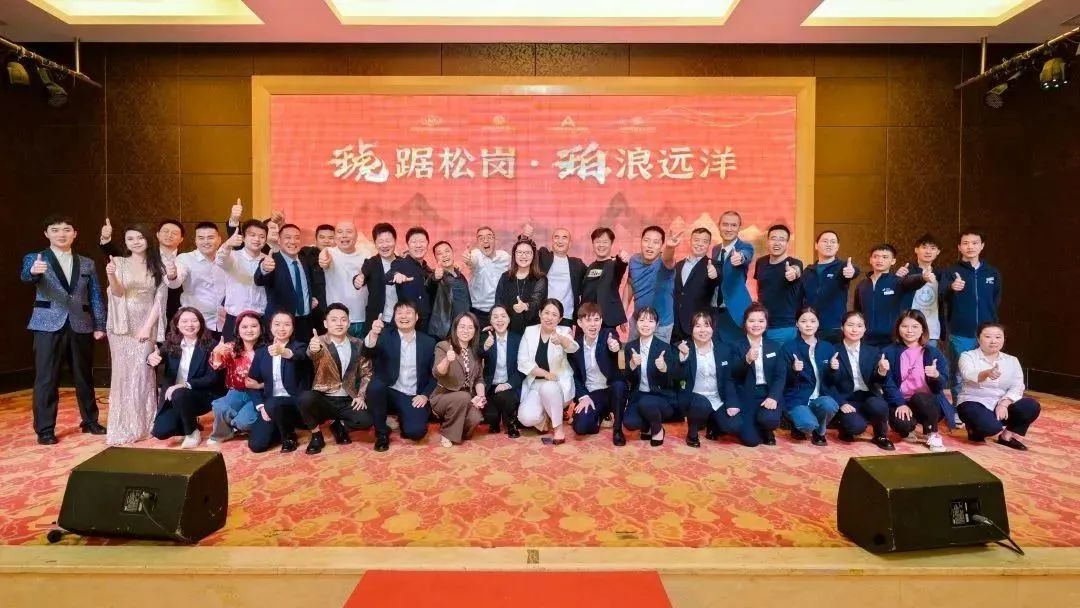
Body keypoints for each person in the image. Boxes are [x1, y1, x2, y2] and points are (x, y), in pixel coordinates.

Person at [22, 215, 107, 445]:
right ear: (46, 234)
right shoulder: (36, 258)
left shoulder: (87, 263)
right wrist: (34, 272)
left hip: (81, 324)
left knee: (84, 376)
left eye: (67, 229)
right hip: (47, 325)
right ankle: (45, 429)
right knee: (46, 378)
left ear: (75, 233)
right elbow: (26, 276)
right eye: (55, 229)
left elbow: (95, 295)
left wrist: (100, 324)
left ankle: (90, 421)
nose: (61, 234)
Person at [104, 225, 168, 445]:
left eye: (140, 237)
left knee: (142, 373)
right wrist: (111, 276)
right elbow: (117, 293)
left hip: (145, 323)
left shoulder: (158, 265)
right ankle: (122, 426)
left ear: (148, 240)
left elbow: (159, 300)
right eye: (130, 239)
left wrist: (148, 327)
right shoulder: (119, 262)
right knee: (122, 375)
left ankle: (144, 424)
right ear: (125, 243)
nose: (136, 242)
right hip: (121, 326)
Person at [298, 303, 376, 454]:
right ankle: (316, 434)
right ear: (325, 323)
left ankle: (338, 424)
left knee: (366, 421)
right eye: (333, 320)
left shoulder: (358, 344)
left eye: (343, 319)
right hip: (324, 398)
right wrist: (313, 349)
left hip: (347, 399)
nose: (339, 323)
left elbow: (367, 373)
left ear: (349, 323)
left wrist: (361, 396)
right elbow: (313, 354)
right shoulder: (319, 342)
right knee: (305, 398)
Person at [364, 300, 437, 451]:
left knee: (416, 432)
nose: (403, 316)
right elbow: (367, 353)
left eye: (408, 312)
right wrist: (373, 334)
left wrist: (425, 395)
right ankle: (381, 433)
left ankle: (404, 419)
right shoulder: (385, 336)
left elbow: (434, 375)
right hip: (389, 390)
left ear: (416, 317)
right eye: (399, 313)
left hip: (412, 395)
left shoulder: (428, 342)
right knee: (375, 387)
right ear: (394, 317)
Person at [956, 322, 1040, 450]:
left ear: (1004, 339)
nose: (993, 341)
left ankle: (1007, 436)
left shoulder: (1012, 360)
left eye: (998, 337)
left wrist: (1004, 403)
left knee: (1031, 406)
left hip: (1000, 404)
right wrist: (987, 373)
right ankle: (974, 429)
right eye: (988, 336)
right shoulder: (968, 356)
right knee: (990, 427)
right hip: (974, 402)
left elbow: (1017, 386)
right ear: (978, 338)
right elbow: (968, 375)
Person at [149, 307, 224, 448]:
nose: (189, 325)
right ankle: (189, 420)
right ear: (177, 324)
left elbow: (212, 378)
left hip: (200, 394)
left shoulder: (210, 345)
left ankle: (192, 432)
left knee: (180, 393)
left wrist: (185, 385)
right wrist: (150, 358)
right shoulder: (171, 344)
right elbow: (157, 356)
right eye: (184, 321)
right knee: (161, 431)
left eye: (194, 321)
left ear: (201, 323)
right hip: (174, 397)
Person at [881, 310, 953, 453]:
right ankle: (908, 429)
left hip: (928, 403)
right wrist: (900, 403)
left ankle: (932, 433)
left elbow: (941, 385)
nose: (909, 331)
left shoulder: (933, 352)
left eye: (915, 326)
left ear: (922, 329)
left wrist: (936, 376)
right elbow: (887, 383)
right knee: (902, 424)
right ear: (898, 328)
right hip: (902, 401)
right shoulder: (888, 352)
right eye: (904, 326)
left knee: (920, 398)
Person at [944, 228, 1002, 401]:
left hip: (987, 332)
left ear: (982, 245)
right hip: (960, 330)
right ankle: (959, 405)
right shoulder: (951, 271)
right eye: (965, 243)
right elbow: (942, 297)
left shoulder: (992, 272)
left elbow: (996, 299)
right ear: (959, 247)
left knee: (988, 368)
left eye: (975, 243)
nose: (970, 247)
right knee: (960, 371)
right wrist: (951, 288)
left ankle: (985, 404)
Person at [675, 312, 747, 448]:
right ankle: (692, 432)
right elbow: (678, 378)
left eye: (706, 325)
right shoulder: (684, 348)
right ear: (691, 329)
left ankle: (713, 422)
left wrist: (732, 402)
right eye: (698, 326)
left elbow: (729, 379)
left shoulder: (724, 349)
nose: (703, 330)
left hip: (716, 398)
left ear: (713, 328)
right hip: (694, 398)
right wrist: (683, 358)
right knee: (702, 405)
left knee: (734, 426)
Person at [245, 311, 311, 453]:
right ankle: (280, 429)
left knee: (275, 402)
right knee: (257, 445)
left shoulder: (300, 347)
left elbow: (298, 356)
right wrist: (261, 407)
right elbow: (251, 383)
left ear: (293, 327)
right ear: (270, 326)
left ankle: (289, 437)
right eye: (277, 324)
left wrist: (283, 351)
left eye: (287, 324)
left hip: (296, 404)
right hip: (271, 406)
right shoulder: (261, 352)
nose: (281, 328)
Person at [516, 299, 579, 444]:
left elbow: (573, 347)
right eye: (546, 313)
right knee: (525, 418)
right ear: (539, 313)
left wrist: (561, 340)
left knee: (548, 387)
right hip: (536, 383)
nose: (549, 317)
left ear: (560, 319)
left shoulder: (564, 331)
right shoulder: (529, 331)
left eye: (554, 315)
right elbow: (523, 361)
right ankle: (546, 417)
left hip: (557, 384)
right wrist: (545, 374)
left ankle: (558, 429)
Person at [832, 311, 894, 450]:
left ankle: (881, 435)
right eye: (850, 325)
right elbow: (827, 383)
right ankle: (845, 426)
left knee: (879, 406)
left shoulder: (873, 351)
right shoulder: (833, 351)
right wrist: (841, 402)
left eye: (859, 326)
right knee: (855, 427)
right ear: (842, 327)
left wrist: (882, 371)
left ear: (865, 329)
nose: (854, 329)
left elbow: (878, 381)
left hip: (868, 396)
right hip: (846, 398)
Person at [101, 217, 185, 321]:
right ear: (157, 235)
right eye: (165, 231)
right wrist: (106, 239)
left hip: (176, 312)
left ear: (181, 239)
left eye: (174, 233)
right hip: (145, 313)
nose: (169, 235)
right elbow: (118, 256)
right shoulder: (142, 254)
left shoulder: (185, 259)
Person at [569, 302, 627, 445]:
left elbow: (615, 342)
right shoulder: (575, 345)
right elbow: (574, 376)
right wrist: (583, 396)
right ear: (580, 323)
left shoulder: (607, 334)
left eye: (596, 319)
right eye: (588, 320)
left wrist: (615, 346)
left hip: (611, 390)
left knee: (620, 385)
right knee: (580, 427)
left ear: (601, 321)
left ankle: (617, 429)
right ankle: (601, 416)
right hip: (592, 394)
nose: (593, 324)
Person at [254, 223, 325, 340]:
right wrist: (264, 268)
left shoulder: (304, 260)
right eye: (288, 237)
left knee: (305, 351)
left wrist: (310, 298)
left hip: (306, 322)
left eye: (297, 238)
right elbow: (259, 279)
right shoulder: (271, 260)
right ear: (279, 240)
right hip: (281, 325)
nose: (293, 241)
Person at [780, 306, 839, 446]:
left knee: (830, 404)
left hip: (820, 398)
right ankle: (799, 423)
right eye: (803, 321)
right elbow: (783, 381)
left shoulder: (827, 347)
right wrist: (794, 371)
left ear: (818, 323)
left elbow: (833, 382)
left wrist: (834, 370)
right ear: (797, 324)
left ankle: (820, 432)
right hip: (797, 399)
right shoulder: (788, 347)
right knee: (807, 424)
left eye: (813, 321)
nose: (808, 325)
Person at [207, 310, 266, 448]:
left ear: (261, 328)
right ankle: (221, 434)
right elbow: (217, 366)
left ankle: (237, 425)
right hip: (237, 391)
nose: (249, 330)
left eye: (254, 326)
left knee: (244, 422)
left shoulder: (267, 349)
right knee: (221, 408)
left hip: (259, 393)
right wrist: (217, 353)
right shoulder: (230, 347)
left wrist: (260, 385)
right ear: (238, 330)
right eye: (244, 327)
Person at [729, 303, 785, 446]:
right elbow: (733, 375)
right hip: (746, 395)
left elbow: (780, 376)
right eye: (751, 321)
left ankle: (767, 429)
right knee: (751, 441)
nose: (756, 325)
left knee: (769, 419)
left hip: (767, 394)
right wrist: (747, 360)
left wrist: (773, 397)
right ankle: (756, 427)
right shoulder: (736, 346)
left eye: (761, 321)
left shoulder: (775, 346)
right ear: (745, 323)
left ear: (766, 323)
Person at [622, 306, 678, 446]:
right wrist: (632, 365)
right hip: (638, 395)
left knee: (647, 402)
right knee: (629, 423)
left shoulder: (664, 348)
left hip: (660, 397)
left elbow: (672, 381)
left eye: (650, 321)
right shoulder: (630, 347)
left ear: (657, 325)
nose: (646, 324)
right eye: (642, 320)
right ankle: (647, 425)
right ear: (636, 323)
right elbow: (628, 378)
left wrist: (663, 368)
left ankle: (657, 429)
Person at [430, 312, 487, 447]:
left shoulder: (475, 351)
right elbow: (437, 372)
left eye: (470, 327)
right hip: (442, 396)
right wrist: (447, 360)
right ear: (455, 328)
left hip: (466, 399)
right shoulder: (443, 346)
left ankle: (452, 424)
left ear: (475, 331)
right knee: (463, 396)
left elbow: (479, 379)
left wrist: (481, 396)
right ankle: (448, 433)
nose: (466, 330)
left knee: (475, 418)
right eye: (462, 326)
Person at [854, 244, 925, 347]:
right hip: (866, 340)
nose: (879, 260)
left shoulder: (898, 281)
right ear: (870, 260)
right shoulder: (862, 285)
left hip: (894, 341)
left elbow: (912, 282)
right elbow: (858, 312)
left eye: (885, 257)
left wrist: (923, 278)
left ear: (893, 261)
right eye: (876, 256)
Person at [169, 221, 227, 339]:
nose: (206, 242)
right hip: (194, 324)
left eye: (210, 238)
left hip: (223, 322)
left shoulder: (227, 259)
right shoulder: (185, 259)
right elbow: (175, 282)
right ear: (195, 241)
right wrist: (172, 275)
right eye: (201, 238)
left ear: (219, 240)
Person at [802, 230, 858, 344]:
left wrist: (852, 271)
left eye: (833, 242)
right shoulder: (808, 271)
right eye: (825, 241)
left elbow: (853, 270)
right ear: (816, 245)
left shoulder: (842, 267)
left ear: (837, 247)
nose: (829, 244)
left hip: (834, 328)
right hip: (810, 327)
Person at [216, 219, 269, 340]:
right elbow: (220, 260)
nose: (257, 239)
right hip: (234, 318)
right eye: (252, 235)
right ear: (244, 238)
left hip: (260, 319)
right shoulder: (232, 256)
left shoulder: (268, 260)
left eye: (261, 236)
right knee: (230, 350)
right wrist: (227, 244)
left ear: (265, 240)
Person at [627, 224, 680, 343]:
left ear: (661, 246)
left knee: (658, 355)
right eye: (646, 240)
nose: (650, 245)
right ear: (641, 242)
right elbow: (630, 284)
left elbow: (668, 258)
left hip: (661, 325)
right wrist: (623, 312)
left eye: (656, 242)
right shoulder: (634, 260)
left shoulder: (665, 263)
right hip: (637, 322)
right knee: (632, 354)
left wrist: (670, 247)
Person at [753, 224, 803, 344]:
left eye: (782, 239)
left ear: (787, 243)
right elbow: (760, 287)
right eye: (773, 238)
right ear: (768, 241)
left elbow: (796, 270)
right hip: (762, 326)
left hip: (784, 327)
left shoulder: (795, 263)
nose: (777, 243)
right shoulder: (761, 262)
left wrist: (793, 273)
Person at [318, 221, 368, 338]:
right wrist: (323, 260)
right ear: (335, 237)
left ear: (356, 236)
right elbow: (324, 259)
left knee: (362, 350)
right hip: (337, 321)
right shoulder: (329, 252)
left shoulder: (366, 254)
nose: (344, 235)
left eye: (349, 232)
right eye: (340, 232)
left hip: (362, 317)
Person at [710, 211, 755, 343]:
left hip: (735, 312)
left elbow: (746, 254)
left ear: (739, 227)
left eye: (733, 225)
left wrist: (740, 257)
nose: (729, 229)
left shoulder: (745, 247)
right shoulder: (715, 249)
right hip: (715, 311)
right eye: (725, 224)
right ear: (719, 226)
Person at [480, 305, 524, 438]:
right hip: (490, 386)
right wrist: (485, 347)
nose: (499, 320)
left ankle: (511, 423)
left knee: (507, 398)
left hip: (509, 386)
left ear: (509, 319)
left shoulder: (518, 339)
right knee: (490, 417)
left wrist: (508, 384)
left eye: (503, 316)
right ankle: (496, 417)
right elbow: (475, 358)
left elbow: (523, 368)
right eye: (495, 317)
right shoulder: (485, 338)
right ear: (490, 321)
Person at [898, 234, 946, 349]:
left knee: (929, 359)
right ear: (916, 249)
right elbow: (906, 283)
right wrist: (921, 277)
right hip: (908, 330)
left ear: (938, 252)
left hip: (931, 330)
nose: (928, 251)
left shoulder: (941, 274)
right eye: (924, 247)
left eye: (933, 248)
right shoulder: (906, 271)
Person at [673, 227, 720, 342]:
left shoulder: (714, 265)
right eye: (696, 240)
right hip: (675, 326)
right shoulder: (678, 265)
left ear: (709, 244)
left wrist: (714, 275)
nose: (700, 244)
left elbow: (717, 278)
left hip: (698, 325)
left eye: (704, 241)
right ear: (690, 241)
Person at [534, 227, 586, 326]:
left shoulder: (577, 264)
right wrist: (524, 237)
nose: (560, 241)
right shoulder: (542, 256)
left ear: (570, 243)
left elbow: (591, 277)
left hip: (566, 315)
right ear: (552, 241)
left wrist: (612, 262)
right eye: (556, 237)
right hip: (544, 314)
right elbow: (526, 252)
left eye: (564, 237)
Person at [494, 239, 547, 334]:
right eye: (519, 252)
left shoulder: (540, 278)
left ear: (533, 256)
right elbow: (498, 303)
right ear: (514, 254)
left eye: (528, 253)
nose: (523, 256)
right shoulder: (505, 277)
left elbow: (537, 302)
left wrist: (526, 306)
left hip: (532, 332)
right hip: (507, 331)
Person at [581, 227, 629, 330]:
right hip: (587, 319)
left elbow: (621, 265)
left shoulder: (614, 264)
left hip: (606, 321)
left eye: (605, 242)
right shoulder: (590, 267)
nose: (601, 245)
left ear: (611, 244)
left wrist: (622, 259)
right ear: (593, 244)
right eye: (598, 242)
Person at [464, 225, 511, 330]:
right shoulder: (476, 255)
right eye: (481, 238)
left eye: (489, 237)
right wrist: (468, 259)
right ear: (477, 243)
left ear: (495, 240)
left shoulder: (504, 256)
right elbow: (472, 261)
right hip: (479, 313)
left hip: (500, 312)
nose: (485, 241)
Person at [354, 222, 398, 330]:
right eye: (380, 241)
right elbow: (361, 276)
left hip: (400, 320)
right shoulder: (371, 263)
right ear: (375, 243)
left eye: (388, 241)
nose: (385, 245)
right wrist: (357, 280)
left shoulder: (403, 263)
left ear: (395, 241)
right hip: (377, 320)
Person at [389, 226, 433, 332]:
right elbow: (388, 276)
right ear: (408, 245)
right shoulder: (400, 263)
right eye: (414, 242)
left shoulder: (428, 270)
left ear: (427, 244)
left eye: (422, 241)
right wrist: (396, 275)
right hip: (405, 324)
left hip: (426, 326)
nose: (418, 245)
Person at [427, 241, 472, 340]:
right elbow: (430, 284)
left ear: (452, 253)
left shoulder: (460, 275)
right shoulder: (437, 276)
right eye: (439, 253)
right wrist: (435, 277)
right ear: (436, 259)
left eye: (447, 251)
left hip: (464, 329)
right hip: (446, 332)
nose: (444, 255)